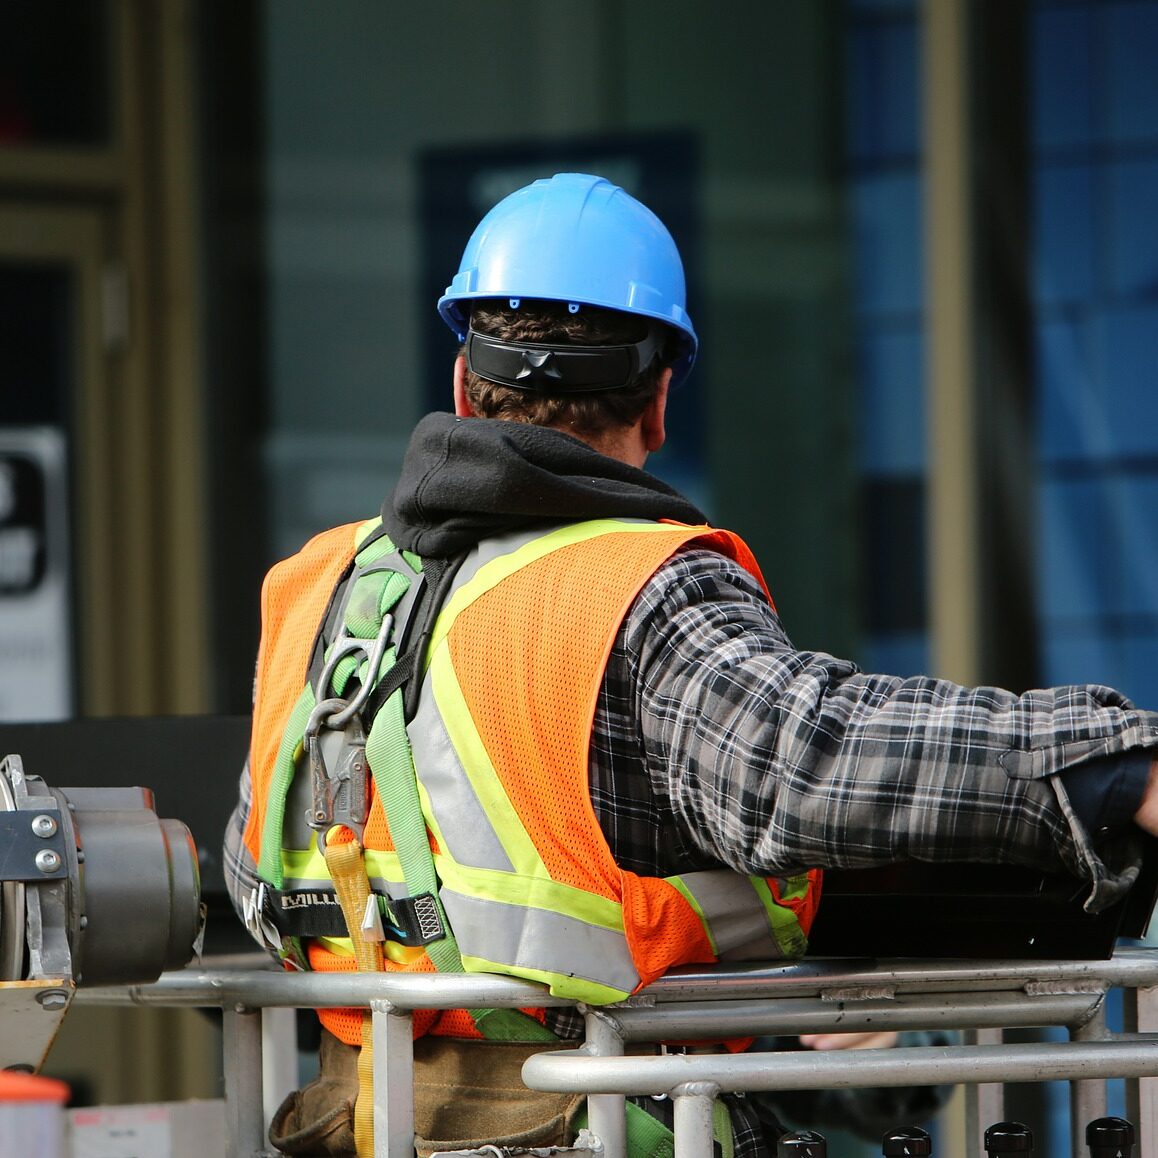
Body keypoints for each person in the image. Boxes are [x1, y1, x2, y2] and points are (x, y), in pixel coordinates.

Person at [225, 173, 1158, 1158]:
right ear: (661, 399)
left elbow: (257, 874)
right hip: (593, 1120)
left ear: (463, 384)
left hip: (363, 1121)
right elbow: (803, 759)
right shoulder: (636, 584)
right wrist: (1116, 768)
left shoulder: (316, 584)